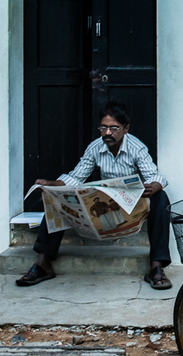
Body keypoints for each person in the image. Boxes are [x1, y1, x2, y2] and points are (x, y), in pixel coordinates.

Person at [16, 101, 173, 290]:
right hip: (104, 207)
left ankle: (156, 266)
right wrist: (52, 185)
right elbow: (76, 176)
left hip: (130, 206)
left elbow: (154, 175)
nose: (108, 133)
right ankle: (43, 263)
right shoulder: (95, 147)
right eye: (104, 128)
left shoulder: (136, 147)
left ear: (126, 129)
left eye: (114, 128)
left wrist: (154, 185)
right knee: (56, 196)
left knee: (162, 198)